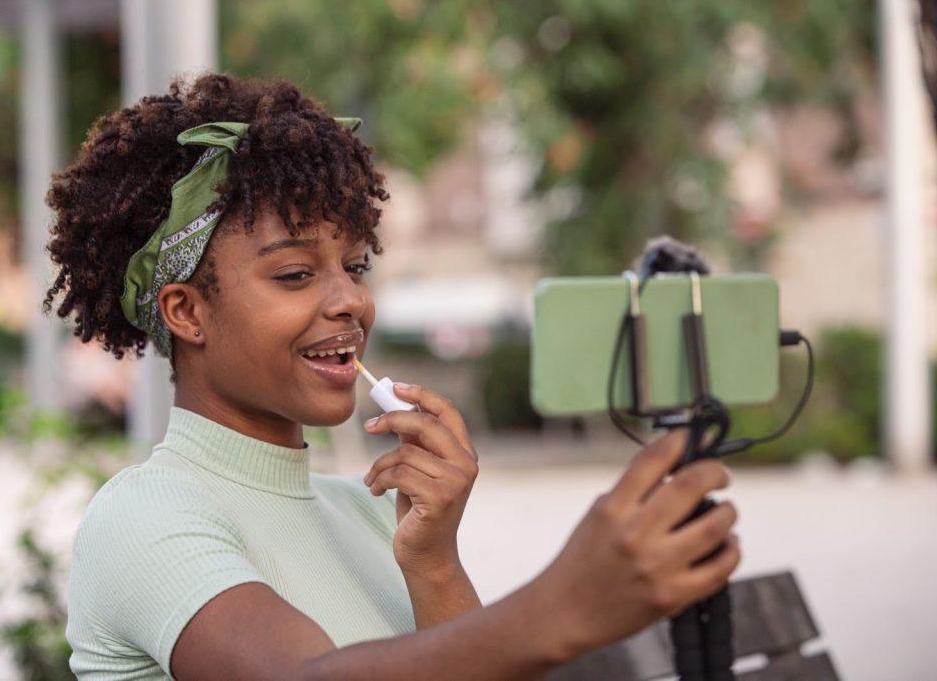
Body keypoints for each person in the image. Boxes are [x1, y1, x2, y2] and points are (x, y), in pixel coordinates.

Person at [45, 73, 740, 680]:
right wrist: (565, 604)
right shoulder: (144, 517)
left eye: (354, 266)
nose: (350, 299)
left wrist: (435, 564)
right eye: (295, 274)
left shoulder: (378, 516)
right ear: (187, 312)